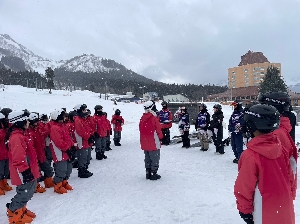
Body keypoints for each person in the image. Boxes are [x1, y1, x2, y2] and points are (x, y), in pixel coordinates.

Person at [234, 104, 295, 224]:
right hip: (284, 206)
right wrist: (289, 196)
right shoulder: (281, 149)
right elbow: (290, 177)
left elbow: (244, 187)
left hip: (263, 210)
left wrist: (244, 211)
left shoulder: (250, 155)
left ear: (252, 126)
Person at [258, 91, 298, 198]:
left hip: (276, 192)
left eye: (264, 108)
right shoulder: (283, 126)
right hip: (281, 189)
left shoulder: (276, 134)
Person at [5, 110, 40, 223]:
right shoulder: (16, 137)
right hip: (22, 170)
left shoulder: (21, 134)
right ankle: (14, 212)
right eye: (27, 120)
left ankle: (21, 210)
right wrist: (25, 171)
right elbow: (18, 157)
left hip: (28, 167)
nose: (29, 122)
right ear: (20, 122)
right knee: (24, 191)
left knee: (29, 190)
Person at [50, 109, 77, 193]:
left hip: (67, 150)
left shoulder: (63, 125)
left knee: (68, 168)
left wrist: (72, 146)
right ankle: (57, 184)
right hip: (60, 152)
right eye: (62, 116)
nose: (65, 118)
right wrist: (67, 149)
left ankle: (64, 182)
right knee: (61, 169)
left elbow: (68, 138)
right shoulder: (55, 127)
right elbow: (59, 141)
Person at [139, 101, 163, 180]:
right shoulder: (153, 118)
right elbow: (158, 129)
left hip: (145, 141)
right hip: (153, 141)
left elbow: (140, 129)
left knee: (147, 157)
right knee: (155, 157)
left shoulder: (142, 118)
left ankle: (148, 172)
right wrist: (161, 137)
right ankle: (153, 173)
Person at [73, 104, 93, 178]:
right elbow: (80, 131)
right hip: (81, 141)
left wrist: (90, 135)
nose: (85, 111)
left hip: (85, 141)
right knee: (82, 156)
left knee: (85, 156)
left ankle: (84, 169)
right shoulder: (78, 120)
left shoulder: (82, 119)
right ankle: (81, 171)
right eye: (83, 110)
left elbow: (87, 129)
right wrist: (88, 136)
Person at [0, 113, 13, 196]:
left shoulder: (5, 129)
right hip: (0, 155)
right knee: (0, 171)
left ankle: (4, 183)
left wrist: (7, 126)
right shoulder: (1, 131)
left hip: (6, 153)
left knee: (5, 170)